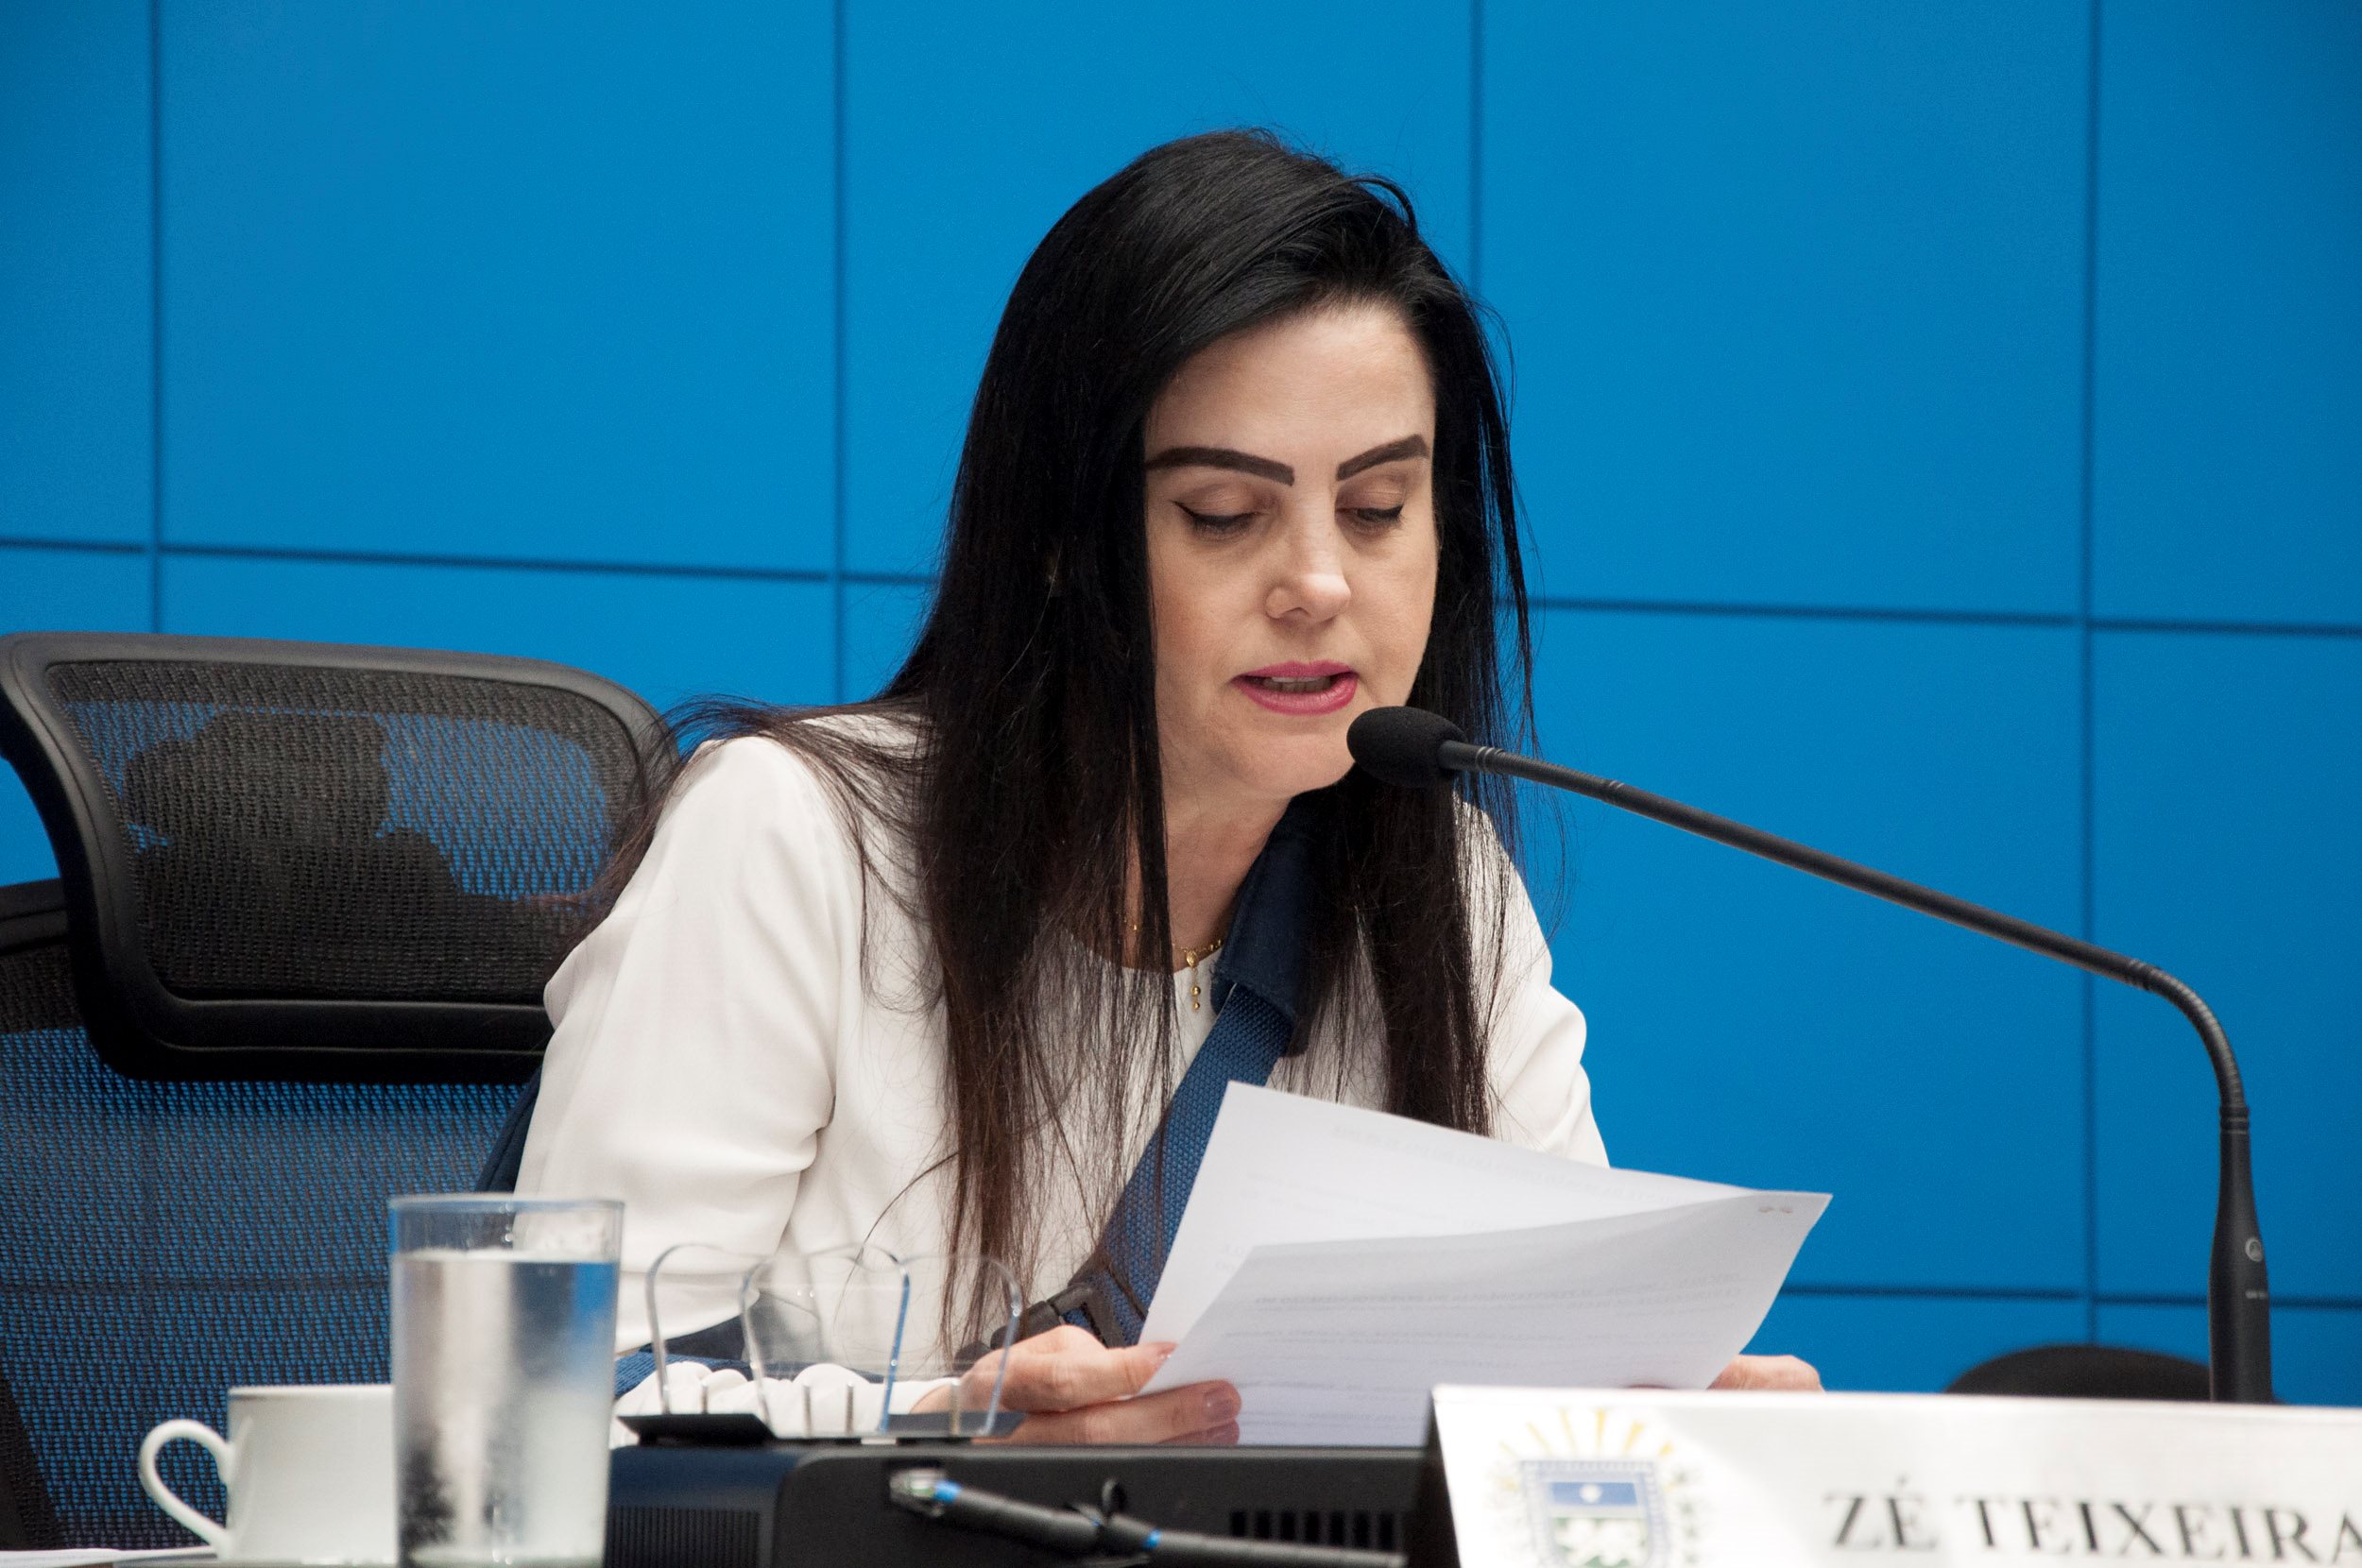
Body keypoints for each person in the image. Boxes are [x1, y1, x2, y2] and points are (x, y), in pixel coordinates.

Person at [514, 129, 1817, 1445]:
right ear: (1058, 543)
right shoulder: (794, 840)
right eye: (1224, 515)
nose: (1320, 583)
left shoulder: (1449, 892)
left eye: (1377, 509)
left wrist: (1650, 1418)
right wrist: (958, 1430)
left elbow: (1561, 1363)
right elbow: (558, 1399)